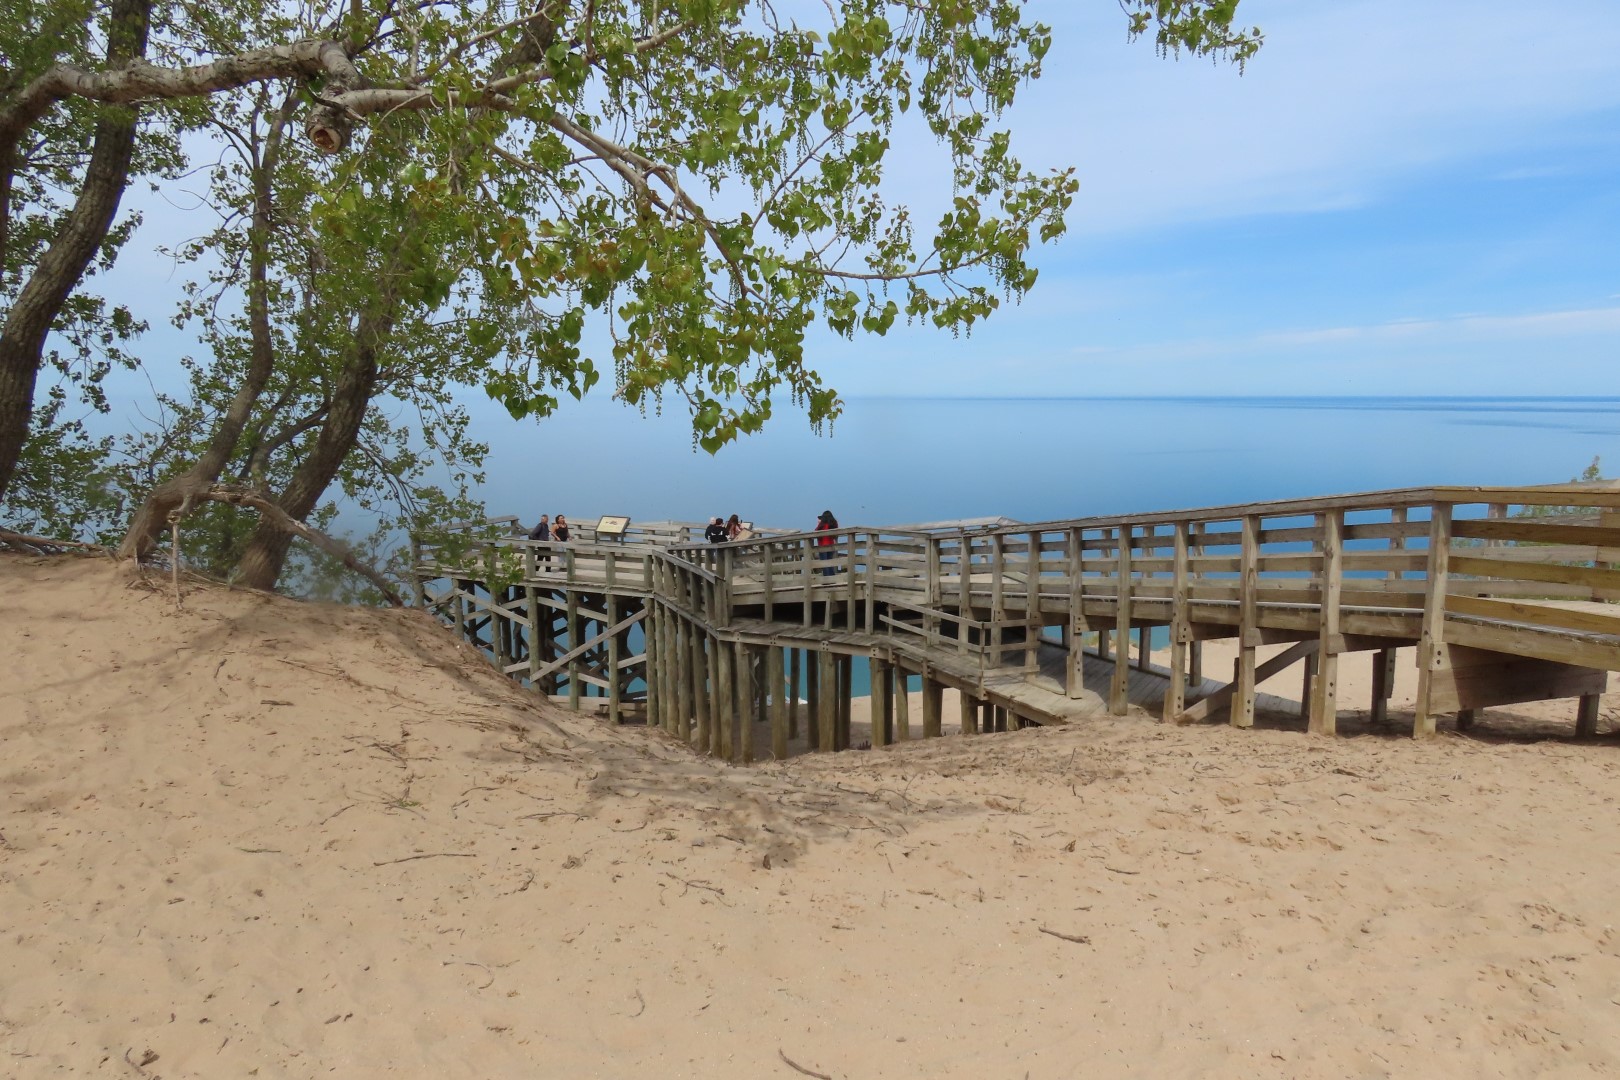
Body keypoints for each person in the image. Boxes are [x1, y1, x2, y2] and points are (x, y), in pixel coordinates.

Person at [814, 509, 838, 576]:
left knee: (824, 563)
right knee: (830, 562)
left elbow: (815, 531)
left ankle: (827, 580)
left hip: (822, 545)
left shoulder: (822, 524)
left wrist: (818, 523)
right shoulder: (834, 523)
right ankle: (832, 577)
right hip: (831, 545)